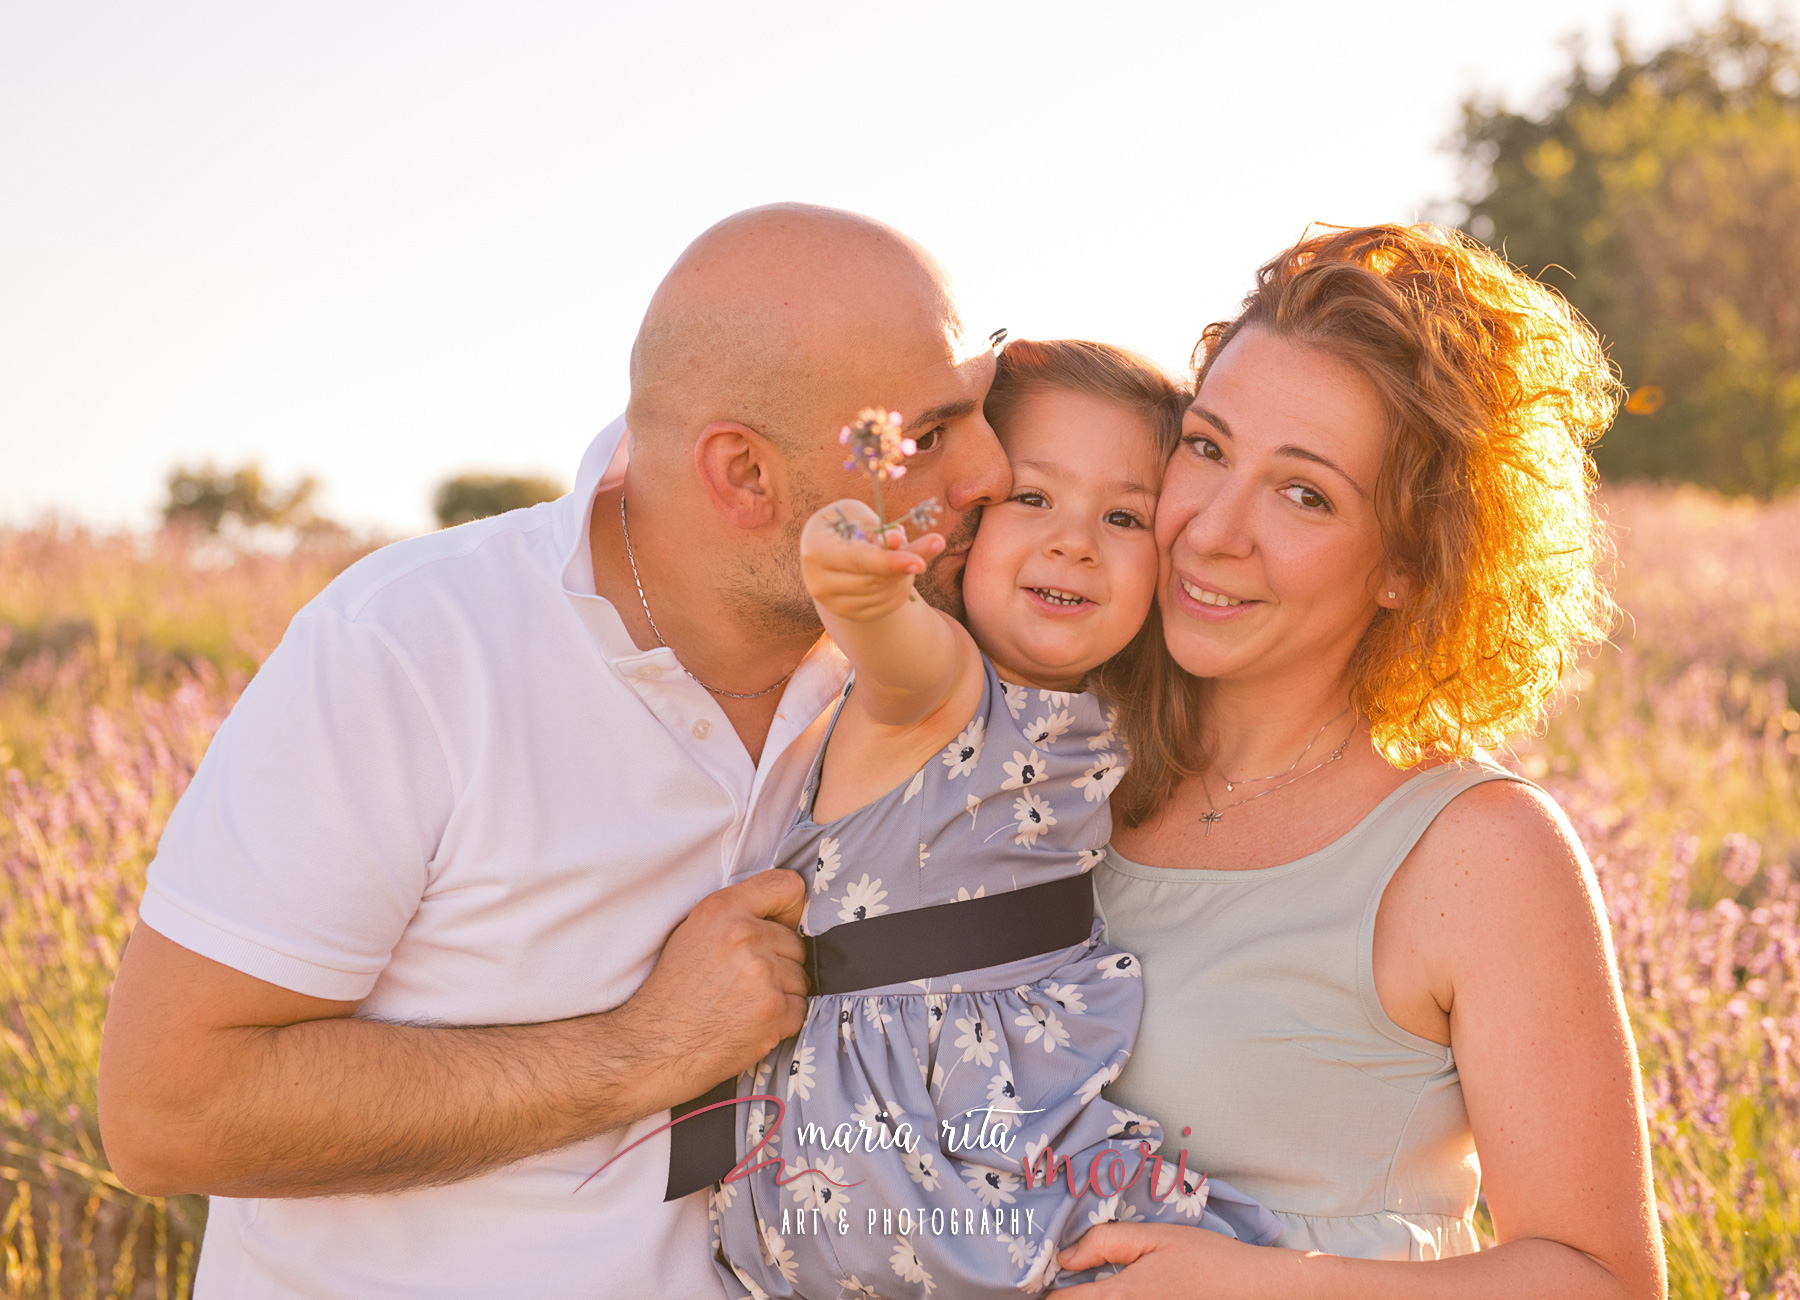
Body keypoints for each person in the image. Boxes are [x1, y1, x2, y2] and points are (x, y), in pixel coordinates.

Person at [95, 203, 1011, 1299]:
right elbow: (165, 1110)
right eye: (927, 435)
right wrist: (640, 1050)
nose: (991, 472)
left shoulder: (938, 660)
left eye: (984, 408)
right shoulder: (415, 648)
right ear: (745, 476)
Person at [1055, 225, 1668, 1298]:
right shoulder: (1051, 761)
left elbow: (1602, 1279)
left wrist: (1249, 1282)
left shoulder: (1474, 851)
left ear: (1404, 563)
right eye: (1207, 447)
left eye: (1305, 495)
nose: (1212, 531)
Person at [706, 341, 1279, 1300]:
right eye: (1032, 498)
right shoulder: (941, 687)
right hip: (897, 1153)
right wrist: (856, 567)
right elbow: (893, 640)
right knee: (1211, 1268)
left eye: (1124, 516)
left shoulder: (1106, 718)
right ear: (964, 520)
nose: (1074, 541)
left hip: (926, 1154)